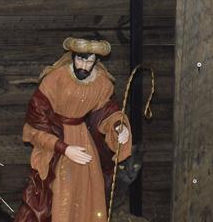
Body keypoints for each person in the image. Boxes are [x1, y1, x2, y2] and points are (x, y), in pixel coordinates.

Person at [15, 37, 133, 222]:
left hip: (84, 141)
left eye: (89, 61)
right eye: (80, 59)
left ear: (96, 61)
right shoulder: (55, 79)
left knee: (89, 189)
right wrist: (64, 149)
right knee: (62, 192)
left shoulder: (102, 82)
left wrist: (119, 127)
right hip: (58, 141)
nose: (84, 66)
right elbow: (35, 125)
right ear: (72, 56)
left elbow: (107, 110)